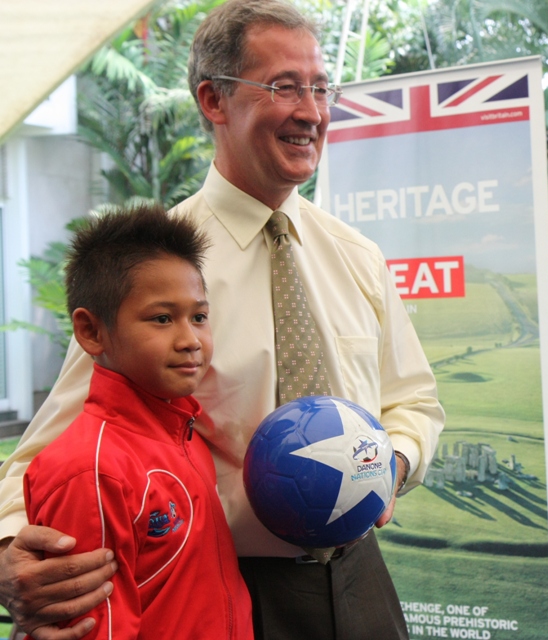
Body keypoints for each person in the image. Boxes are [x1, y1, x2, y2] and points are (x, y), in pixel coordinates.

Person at [0, 1, 444, 639]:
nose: (312, 112)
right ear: (213, 100)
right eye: (285, 87)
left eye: (321, 88)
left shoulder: (357, 257)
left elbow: (414, 402)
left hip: (361, 580)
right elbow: (55, 451)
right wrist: (10, 549)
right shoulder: (156, 274)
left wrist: (387, 466)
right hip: (226, 593)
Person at [22, 204, 253, 640]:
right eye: (162, 318)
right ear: (92, 332)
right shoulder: (92, 471)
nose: (190, 341)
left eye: (199, 317)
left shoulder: (186, 434)